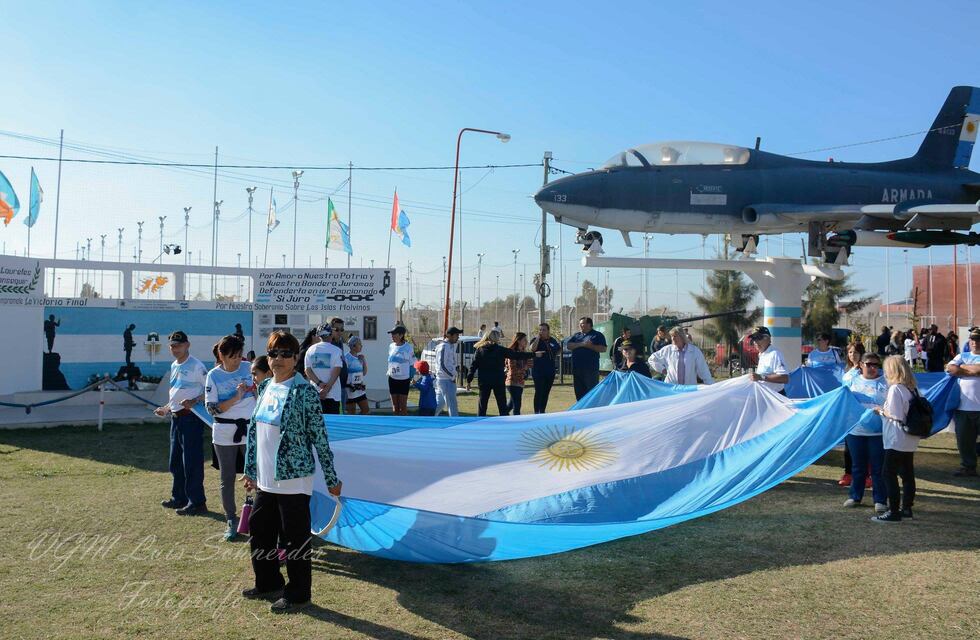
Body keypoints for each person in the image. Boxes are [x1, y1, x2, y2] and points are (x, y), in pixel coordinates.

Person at [242, 330, 341, 613]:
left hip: (294, 480)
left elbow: (320, 439)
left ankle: (298, 594)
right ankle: (268, 582)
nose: (279, 359)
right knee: (260, 531)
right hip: (265, 479)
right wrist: (250, 469)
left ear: (296, 358)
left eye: (286, 354)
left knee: (295, 540)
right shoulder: (264, 388)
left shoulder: (305, 392)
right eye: (274, 354)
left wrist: (332, 479)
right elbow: (255, 432)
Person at [205, 334, 256, 540]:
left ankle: (259, 520)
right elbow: (212, 409)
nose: (237, 360)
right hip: (224, 432)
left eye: (239, 356)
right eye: (233, 356)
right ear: (222, 355)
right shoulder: (213, 376)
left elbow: (261, 393)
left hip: (251, 429)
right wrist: (235, 398)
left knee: (256, 475)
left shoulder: (249, 368)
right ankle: (231, 520)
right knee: (227, 477)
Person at [154, 330, 208, 516]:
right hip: (176, 418)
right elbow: (176, 391)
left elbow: (210, 389)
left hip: (191, 418)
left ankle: (197, 502)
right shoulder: (175, 365)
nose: (175, 349)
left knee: (191, 462)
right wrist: (166, 408)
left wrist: (195, 401)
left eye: (178, 345)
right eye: (172, 346)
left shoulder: (196, 366)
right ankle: (180, 498)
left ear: (187, 345)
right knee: (175, 461)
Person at [871, 356, 922, 523]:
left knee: (888, 473)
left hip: (897, 437)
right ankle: (906, 508)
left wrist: (879, 410)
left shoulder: (895, 389)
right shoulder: (912, 388)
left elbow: (895, 414)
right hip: (910, 437)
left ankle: (893, 511)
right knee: (907, 474)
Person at [842, 353, 888, 513]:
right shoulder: (851, 380)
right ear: (861, 364)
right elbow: (842, 393)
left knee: (878, 468)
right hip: (855, 430)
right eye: (869, 364)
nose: (873, 367)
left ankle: (880, 500)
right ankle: (855, 496)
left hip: (878, 433)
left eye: (876, 364)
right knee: (858, 467)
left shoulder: (885, 382)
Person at [466, 331, 533, 416]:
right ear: (496, 338)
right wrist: (533, 354)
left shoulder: (480, 350)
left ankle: (480, 423)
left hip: (484, 380)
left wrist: (469, 380)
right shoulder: (500, 349)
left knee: (482, 404)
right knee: (502, 406)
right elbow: (515, 355)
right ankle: (504, 423)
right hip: (498, 380)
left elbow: (473, 366)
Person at [945, 331, 980, 477]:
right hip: (963, 407)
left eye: (978, 340)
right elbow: (950, 368)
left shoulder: (962, 360)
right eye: (973, 339)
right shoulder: (962, 356)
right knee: (964, 441)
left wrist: (962, 369)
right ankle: (968, 466)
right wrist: (973, 370)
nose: (975, 342)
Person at [839, 341, 867, 487]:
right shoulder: (847, 371)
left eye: (855, 352)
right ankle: (848, 473)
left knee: (865, 445)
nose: (852, 355)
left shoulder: (865, 370)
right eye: (850, 352)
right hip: (849, 412)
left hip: (863, 412)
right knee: (849, 446)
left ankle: (868, 475)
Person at [649, 327, 714, 385]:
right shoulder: (667, 350)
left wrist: (711, 386)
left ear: (682, 337)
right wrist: (662, 369)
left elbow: (703, 370)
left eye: (675, 336)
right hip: (671, 388)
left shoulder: (694, 351)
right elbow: (651, 359)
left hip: (688, 389)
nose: (673, 338)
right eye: (671, 336)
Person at [304, 323, 343, 415]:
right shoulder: (337, 350)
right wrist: (327, 388)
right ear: (331, 334)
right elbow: (337, 371)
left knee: (317, 423)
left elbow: (307, 370)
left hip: (316, 393)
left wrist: (319, 384)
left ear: (318, 336)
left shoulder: (310, 350)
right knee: (333, 425)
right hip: (333, 394)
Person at [567, 317, 608, 400]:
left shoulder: (597, 335)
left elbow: (603, 349)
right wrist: (582, 344)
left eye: (582, 323)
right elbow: (569, 345)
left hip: (590, 370)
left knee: (591, 392)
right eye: (580, 323)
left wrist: (590, 346)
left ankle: (592, 410)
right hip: (577, 369)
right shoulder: (576, 335)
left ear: (589, 324)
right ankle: (581, 410)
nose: (580, 325)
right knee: (579, 392)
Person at [529, 323, 561, 414]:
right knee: (539, 391)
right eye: (540, 330)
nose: (541, 331)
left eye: (544, 330)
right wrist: (538, 338)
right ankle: (536, 412)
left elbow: (558, 349)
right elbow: (532, 349)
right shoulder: (535, 340)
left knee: (546, 392)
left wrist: (555, 353)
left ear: (548, 331)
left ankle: (542, 411)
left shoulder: (552, 340)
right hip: (538, 371)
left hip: (550, 370)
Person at [748, 327, 789, 393]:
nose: (755, 342)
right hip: (766, 396)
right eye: (754, 339)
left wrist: (761, 377)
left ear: (768, 339)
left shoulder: (775, 354)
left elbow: (785, 378)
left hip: (776, 397)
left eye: (758, 338)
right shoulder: (761, 354)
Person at [387, 325, 415, 416]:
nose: (392, 336)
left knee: (403, 407)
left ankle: (404, 425)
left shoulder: (408, 347)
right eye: (391, 334)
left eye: (394, 334)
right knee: (395, 407)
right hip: (392, 379)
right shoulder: (391, 346)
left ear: (401, 335)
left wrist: (410, 377)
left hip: (404, 380)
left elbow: (412, 364)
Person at [434, 327, 461, 416]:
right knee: (452, 404)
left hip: (444, 379)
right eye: (456, 335)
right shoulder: (444, 346)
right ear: (449, 335)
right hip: (446, 379)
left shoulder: (449, 346)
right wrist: (452, 376)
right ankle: (455, 423)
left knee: (440, 403)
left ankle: (428, 417)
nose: (458, 337)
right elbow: (442, 365)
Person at [504, 332, 532, 415]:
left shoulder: (523, 351)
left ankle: (502, 417)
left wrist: (529, 364)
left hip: (520, 382)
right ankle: (516, 423)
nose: (526, 341)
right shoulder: (512, 352)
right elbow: (513, 369)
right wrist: (525, 368)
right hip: (512, 382)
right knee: (517, 405)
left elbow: (526, 365)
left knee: (511, 405)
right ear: (518, 341)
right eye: (524, 340)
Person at [344, 336, 370, 415]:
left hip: (360, 389)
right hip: (350, 390)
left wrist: (364, 360)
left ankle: (360, 423)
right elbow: (344, 374)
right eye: (359, 344)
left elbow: (364, 373)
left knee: (366, 410)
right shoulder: (346, 358)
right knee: (351, 413)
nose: (361, 346)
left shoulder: (360, 358)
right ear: (353, 346)